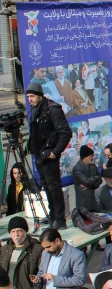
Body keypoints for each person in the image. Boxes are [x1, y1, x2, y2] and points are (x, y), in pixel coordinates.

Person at [26, 82, 72, 229]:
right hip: (39, 154)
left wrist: (55, 152)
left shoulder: (53, 109)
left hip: (48, 154)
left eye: (32, 96)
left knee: (54, 187)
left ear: (40, 95)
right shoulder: (34, 109)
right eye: (28, 97)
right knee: (46, 187)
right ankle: (53, 217)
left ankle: (60, 219)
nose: (30, 100)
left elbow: (65, 133)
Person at [73, 145, 102, 212]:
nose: (93, 158)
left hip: (94, 200)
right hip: (84, 202)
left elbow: (100, 179)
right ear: (85, 157)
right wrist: (95, 177)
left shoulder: (93, 166)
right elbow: (86, 181)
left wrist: (93, 185)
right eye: (91, 156)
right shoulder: (77, 168)